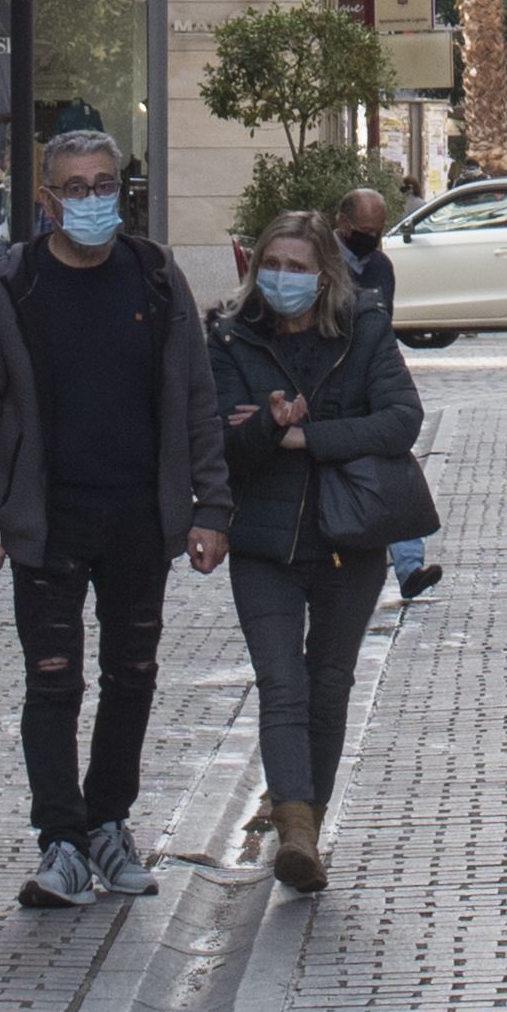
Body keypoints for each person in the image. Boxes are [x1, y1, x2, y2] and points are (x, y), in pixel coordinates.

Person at [0, 127, 232, 910]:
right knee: (52, 681)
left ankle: (108, 819)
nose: (91, 198)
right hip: (47, 520)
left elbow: (197, 401)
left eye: (103, 183)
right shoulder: (10, 288)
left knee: (133, 675)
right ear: (46, 199)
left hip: (141, 515)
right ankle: (62, 840)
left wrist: (211, 507)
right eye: (74, 186)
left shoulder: (155, 276)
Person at [214, 213, 426, 894]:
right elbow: (219, 435)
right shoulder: (231, 334)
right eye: (272, 263)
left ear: (325, 276)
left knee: (329, 680)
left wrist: (304, 436)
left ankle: (308, 815)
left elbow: (400, 419)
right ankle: (297, 832)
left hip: (347, 533)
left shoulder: (361, 328)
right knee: (282, 682)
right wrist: (262, 432)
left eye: (298, 267)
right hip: (262, 540)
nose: (282, 277)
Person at [336, 186, 438, 603]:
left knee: (396, 466)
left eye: (377, 232)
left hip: (373, 377)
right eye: (364, 231)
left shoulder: (380, 266)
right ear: (342, 224)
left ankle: (410, 566)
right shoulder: (318, 260)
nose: (371, 240)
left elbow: (383, 325)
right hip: (332, 384)